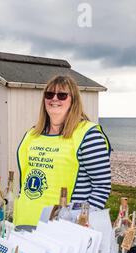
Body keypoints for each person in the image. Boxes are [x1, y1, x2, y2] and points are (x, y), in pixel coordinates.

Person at [13, 75, 111, 227]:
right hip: (24, 223)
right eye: (49, 94)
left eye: (62, 95)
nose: (54, 99)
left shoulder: (88, 134)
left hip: (61, 229)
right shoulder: (32, 135)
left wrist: (81, 219)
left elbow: (102, 185)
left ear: (73, 101)